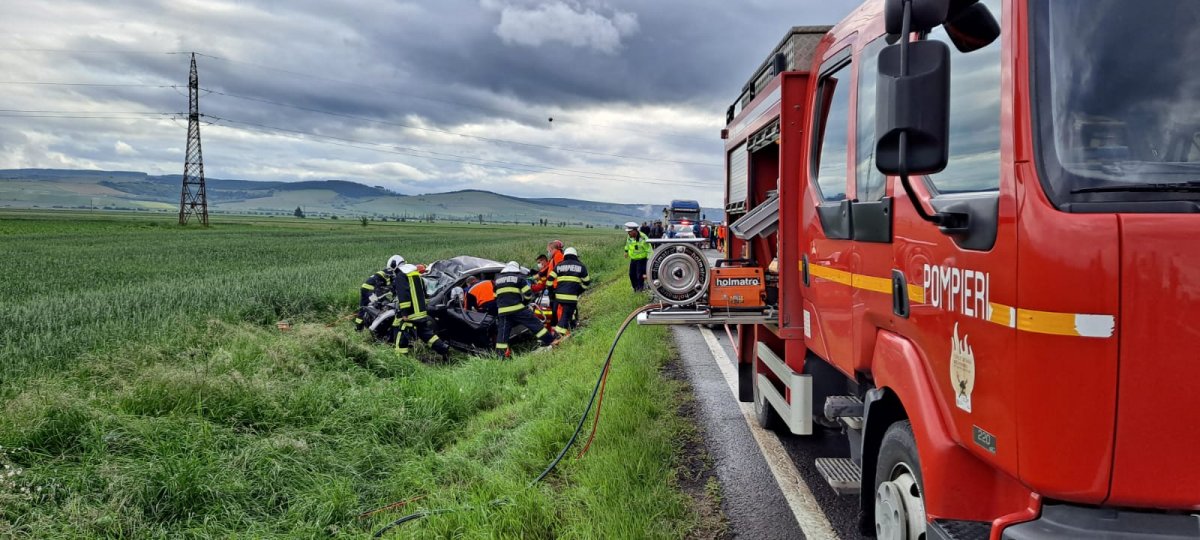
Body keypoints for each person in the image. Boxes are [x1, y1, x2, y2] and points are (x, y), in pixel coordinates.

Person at [390, 259, 451, 362]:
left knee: (402, 332)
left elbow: (404, 295)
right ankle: (443, 349)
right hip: (421, 312)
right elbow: (424, 291)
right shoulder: (415, 273)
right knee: (426, 334)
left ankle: (400, 359)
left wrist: (404, 312)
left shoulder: (401, 275)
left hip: (411, 313)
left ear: (394, 266)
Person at [494, 261, 557, 357]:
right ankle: (551, 341)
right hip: (518, 309)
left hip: (503, 311)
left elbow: (495, 296)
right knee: (535, 324)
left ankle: (500, 355)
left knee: (502, 333)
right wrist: (524, 303)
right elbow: (528, 294)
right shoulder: (519, 278)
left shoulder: (497, 280)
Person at [550, 247, 590, 336]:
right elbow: (587, 282)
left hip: (559, 296)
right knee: (566, 315)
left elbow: (549, 279)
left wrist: (552, 292)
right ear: (576, 256)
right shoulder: (581, 266)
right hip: (571, 297)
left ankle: (568, 328)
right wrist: (579, 290)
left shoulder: (559, 265)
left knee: (565, 313)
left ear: (565, 256)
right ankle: (557, 334)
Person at [356, 254, 403, 330]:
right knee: (378, 304)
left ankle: (359, 327)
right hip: (370, 290)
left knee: (363, 307)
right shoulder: (393, 273)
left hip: (366, 288)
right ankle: (368, 325)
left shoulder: (388, 270)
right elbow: (394, 287)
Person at [623, 221, 651, 292]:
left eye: (630, 232)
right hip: (633, 259)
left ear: (635, 231)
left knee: (639, 275)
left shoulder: (643, 238)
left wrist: (649, 261)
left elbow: (649, 250)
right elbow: (627, 244)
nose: (628, 233)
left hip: (642, 260)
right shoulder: (629, 237)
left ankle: (640, 289)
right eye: (628, 232)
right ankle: (635, 288)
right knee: (631, 274)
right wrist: (626, 251)